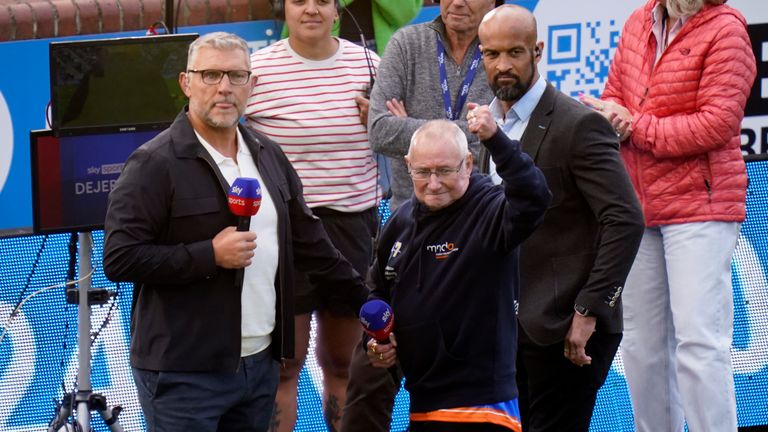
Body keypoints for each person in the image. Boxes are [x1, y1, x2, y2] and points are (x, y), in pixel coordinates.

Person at [102, 32, 367, 432]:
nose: (224, 88)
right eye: (210, 75)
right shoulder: (153, 163)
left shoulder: (267, 153)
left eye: (236, 76)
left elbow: (311, 244)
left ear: (252, 85)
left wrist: (371, 304)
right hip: (184, 375)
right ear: (185, 83)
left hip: (259, 367)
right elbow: (120, 257)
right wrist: (209, 254)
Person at [580, 0, 757, 430]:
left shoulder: (727, 29)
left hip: (702, 207)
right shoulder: (639, 20)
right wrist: (611, 116)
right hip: (637, 207)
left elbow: (716, 123)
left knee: (699, 344)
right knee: (643, 346)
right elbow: (614, 97)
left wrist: (634, 125)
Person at [476, 6, 645, 431]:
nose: (503, 66)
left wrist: (589, 309)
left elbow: (625, 220)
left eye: (514, 53)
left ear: (538, 50)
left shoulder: (578, 124)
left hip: (568, 328)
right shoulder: (486, 126)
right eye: (492, 55)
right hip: (505, 331)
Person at [341, 2, 499, 428]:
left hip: (479, 234)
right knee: (368, 377)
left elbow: (507, 133)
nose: (456, 2)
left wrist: (414, 127)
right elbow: (379, 130)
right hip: (407, 234)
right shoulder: (408, 43)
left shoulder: (502, 48)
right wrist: (460, 136)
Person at [246, 1, 381, 431]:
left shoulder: (369, 64)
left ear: (337, 9)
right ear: (282, 9)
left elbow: (404, 131)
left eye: (322, 0)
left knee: (345, 362)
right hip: (285, 233)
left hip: (354, 226)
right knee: (286, 363)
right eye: (299, 0)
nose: (311, 10)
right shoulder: (256, 70)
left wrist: (378, 118)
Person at [366, 119, 550, 432]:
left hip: (484, 406)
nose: (434, 183)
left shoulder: (491, 211)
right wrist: (377, 342)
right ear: (408, 166)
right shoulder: (401, 221)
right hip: (423, 401)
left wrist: (496, 140)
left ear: (467, 164)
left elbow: (535, 198)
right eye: (423, 172)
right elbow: (377, 291)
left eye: (444, 171)